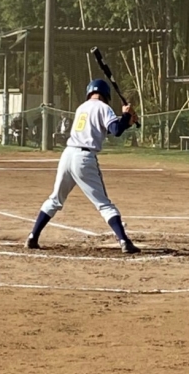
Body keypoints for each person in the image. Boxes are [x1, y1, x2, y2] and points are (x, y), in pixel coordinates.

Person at [25, 79, 140, 254]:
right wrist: (125, 115)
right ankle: (124, 241)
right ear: (106, 94)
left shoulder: (82, 107)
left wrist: (127, 121)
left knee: (55, 199)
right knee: (104, 204)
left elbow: (109, 128)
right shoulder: (104, 108)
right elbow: (115, 131)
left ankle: (33, 237)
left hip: (67, 155)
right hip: (84, 158)